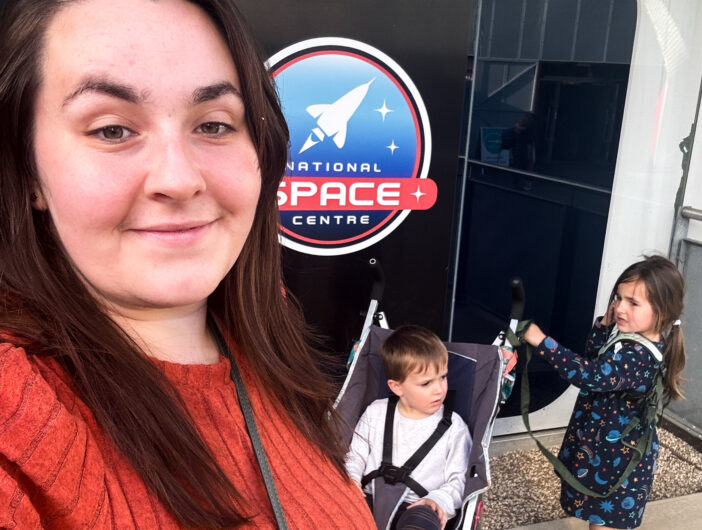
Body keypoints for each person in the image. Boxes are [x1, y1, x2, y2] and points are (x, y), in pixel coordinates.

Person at [0, 0, 374, 528]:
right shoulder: (19, 418)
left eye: (215, 125)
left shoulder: (263, 326)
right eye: (111, 129)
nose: (179, 179)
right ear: (29, 170)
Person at [522, 255, 686, 530]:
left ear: (664, 312)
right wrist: (603, 328)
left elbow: (591, 376)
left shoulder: (638, 357)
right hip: (606, 451)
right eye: (619, 298)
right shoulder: (634, 340)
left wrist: (542, 342)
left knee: (604, 522)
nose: (620, 308)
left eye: (633, 303)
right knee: (597, 518)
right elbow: (595, 361)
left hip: (618, 461)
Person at [345, 325, 472, 530]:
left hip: (418, 508)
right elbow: (356, 455)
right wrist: (351, 480)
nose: (439, 389)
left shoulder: (454, 427)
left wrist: (439, 500)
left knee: (422, 520)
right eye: (426, 383)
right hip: (368, 498)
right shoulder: (376, 412)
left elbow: (459, 480)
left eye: (443, 377)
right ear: (397, 387)